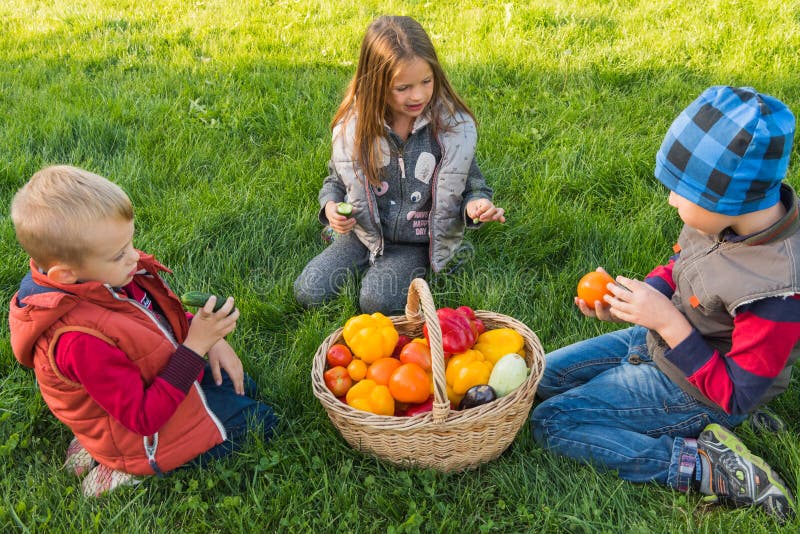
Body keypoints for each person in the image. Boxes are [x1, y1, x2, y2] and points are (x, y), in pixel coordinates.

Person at [531, 86, 799, 521]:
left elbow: (735, 393)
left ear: (727, 200)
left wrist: (671, 324)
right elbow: (681, 265)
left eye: (680, 192)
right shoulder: (726, 220)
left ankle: (704, 467)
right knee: (538, 377)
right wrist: (641, 299)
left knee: (553, 421)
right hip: (657, 339)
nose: (671, 200)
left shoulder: (775, 290)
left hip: (700, 390)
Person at [8, 165, 278, 497]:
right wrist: (196, 347)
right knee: (261, 422)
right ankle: (122, 465)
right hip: (138, 432)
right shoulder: (78, 340)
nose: (135, 257)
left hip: (146, 382)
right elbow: (143, 417)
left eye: (130, 243)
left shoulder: (105, 277)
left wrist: (212, 338)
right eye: (120, 253)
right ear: (66, 274)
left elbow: (153, 320)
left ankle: (98, 441)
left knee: (244, 387)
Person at [294, 15, 505, 315]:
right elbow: (336, 180)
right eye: (402, 87)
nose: (417, 95)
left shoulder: (448, 130)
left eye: (426, 82)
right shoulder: (357, 128)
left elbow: (471, 184)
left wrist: (476, 205)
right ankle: (366, 261)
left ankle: (420, 267)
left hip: (415, 242)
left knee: (376, 302)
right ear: (376, 84)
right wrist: (330, 208)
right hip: (363, 233)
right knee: (308, 290)